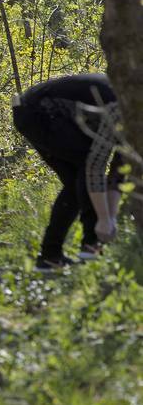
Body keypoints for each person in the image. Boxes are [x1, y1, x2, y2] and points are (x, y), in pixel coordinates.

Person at [12, 74, 125, 271]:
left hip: (41, 114)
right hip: (36, 111)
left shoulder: (133, 121)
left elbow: (120, 168)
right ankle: (91, 246)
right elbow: (95, 166)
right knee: (85, 164)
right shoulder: (121, 107)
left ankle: (50, 256)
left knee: (74, 185)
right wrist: (104, 220)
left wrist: (111, 217)